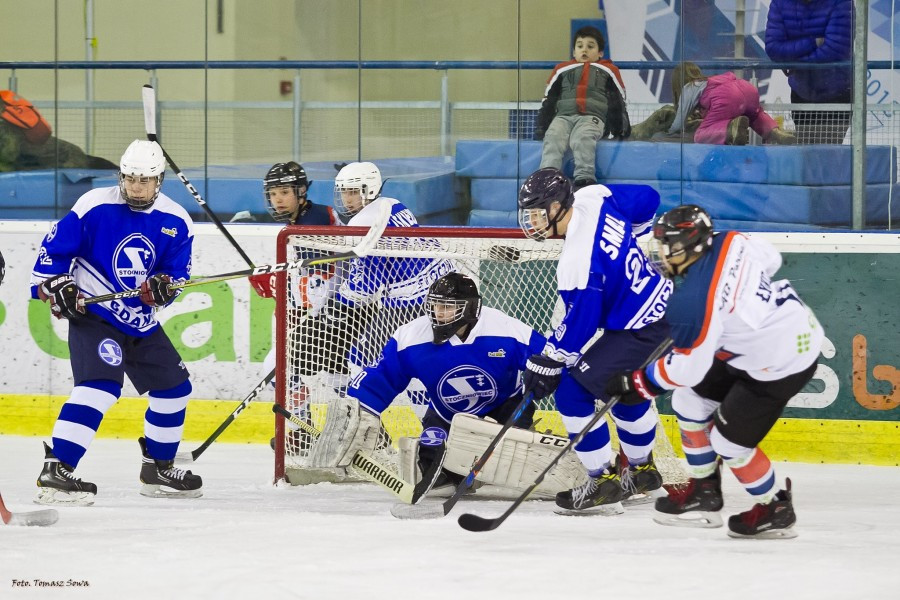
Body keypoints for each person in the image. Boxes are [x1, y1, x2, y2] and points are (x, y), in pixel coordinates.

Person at [605, 205, 824, 539]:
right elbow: (771, 260)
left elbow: (689, 368)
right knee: (689, 402)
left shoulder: (695, 301)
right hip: (767, 335)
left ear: (690, 247)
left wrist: (641, 382)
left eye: (667, 247)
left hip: (783, 360)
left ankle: (775, 507)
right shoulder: (730, 240)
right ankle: (704, 492)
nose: (660, 254)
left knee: (729, 443)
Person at [30, 139, 202, 506]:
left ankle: (157, 467)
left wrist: (162, 289)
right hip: (94, 316)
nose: (136, 187)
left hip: (138, 322)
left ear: (159, 180)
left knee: (175, 390)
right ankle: (58, 467)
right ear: (121, 176)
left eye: (145, 180)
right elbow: (53, 253)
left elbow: (174, 277)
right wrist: (57, 284)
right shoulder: (94, 205)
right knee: (100, 387)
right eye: (130, 178)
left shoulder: (177, 221)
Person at [516, 167, 673, 514]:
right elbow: (648, 197)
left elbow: (581, 327)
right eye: (527, 212)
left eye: (537, 213)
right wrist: (635, 235)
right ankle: (642, 470)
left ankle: (600, 480)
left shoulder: (577, 261)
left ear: (558, 206)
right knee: (625, 391)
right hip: (667, 310)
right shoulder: (595, 197)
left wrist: (548, 363)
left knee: (574, 392)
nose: (532, 221)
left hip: (642, 328)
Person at [344, 272, 546, 496]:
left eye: (448, 307)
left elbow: (550, 359)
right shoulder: (412, 337)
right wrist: (359, 410)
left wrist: (547, 375)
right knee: (434, 476)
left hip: (505, 407)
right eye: (435, 306)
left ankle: (518, 448)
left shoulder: (506, 329)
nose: (439, 314)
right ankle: (454, 472)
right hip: (446, 414)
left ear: (470, 308)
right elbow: (382, 375)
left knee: (516, 467)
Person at [243, 162, 342, 454]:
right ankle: (305, 429)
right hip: (317, 315)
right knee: (279, 369)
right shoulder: (299, 222)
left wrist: (276, 282)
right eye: (273, 194)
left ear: (301, 192)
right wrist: (276, 279)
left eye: (284, 192)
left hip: (337, 316)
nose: (278, 199)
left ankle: (353, 429)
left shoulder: (317, 221)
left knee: (336, 377)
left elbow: (319, 282)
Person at [331, 161, 453, 373]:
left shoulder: (361, 223)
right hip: (445, 286)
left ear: (368, 189)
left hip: (411, 303)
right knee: (421, 363)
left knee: (359, 360)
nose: (347, 199)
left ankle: (355, 406)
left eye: (352, 192)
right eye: (344, 192)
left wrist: (336, 304)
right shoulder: (393, 203)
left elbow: (366, 286)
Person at [534, 26, 631, 190]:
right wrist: (543, 125)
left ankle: (585, 179)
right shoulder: (561, 69)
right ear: (574, 51)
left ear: (600, 53)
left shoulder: (609, 70)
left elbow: (618, 100)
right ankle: (548, 179)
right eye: (580, 46)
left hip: (592, 117)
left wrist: (620, 128)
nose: (584, 50)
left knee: (582, 137)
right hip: (563, 116)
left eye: (590, 46)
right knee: (553, 137)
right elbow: (549, 98)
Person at [765, 0, 853, 144]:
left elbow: (835, 50)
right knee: (807, 154)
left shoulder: (842, 2)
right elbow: (773, 48)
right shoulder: (780, 3)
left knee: (829, 155)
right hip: (801, 93)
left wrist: (795, 62)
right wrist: (814, 42)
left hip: (837, 94)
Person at [665, 62, 795, 146]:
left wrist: (669, 132)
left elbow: (679, 121)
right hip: (746, 87)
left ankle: (731, 129)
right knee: (755, 115)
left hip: (727, 96)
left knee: (700, 135)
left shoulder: (690, 87)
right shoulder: (709, 80)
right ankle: (775, 132)